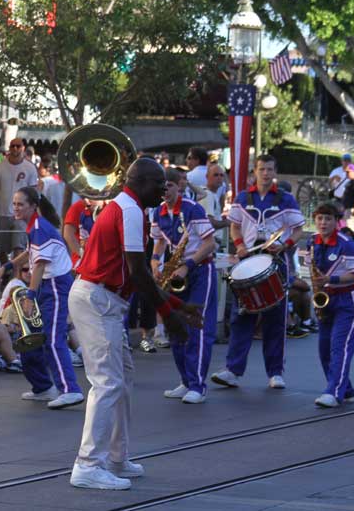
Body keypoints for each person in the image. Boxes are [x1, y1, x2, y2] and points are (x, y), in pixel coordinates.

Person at [69, 158, 201, 490]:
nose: (163, 189)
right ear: (139, 182)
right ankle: (87, 465)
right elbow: (139, 272)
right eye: (158, 183)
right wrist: (169, 317)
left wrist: (178, 306)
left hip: (104, 299)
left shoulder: (129, 208)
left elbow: (136, 276)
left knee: (121, 380)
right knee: (108, 383)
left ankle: (115, 457)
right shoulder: (129, 210)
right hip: (98, 299)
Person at [212, 154, 305, 390]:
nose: (266, 173)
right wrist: (240, 245)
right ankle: (233, 370)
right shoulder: (243, 197)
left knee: (276, 318)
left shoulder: (285, 199)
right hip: (249, 259)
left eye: (270, 169)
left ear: (275, 172)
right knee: (242, 315)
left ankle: (275, 372)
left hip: (276, 260)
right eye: (262, 169)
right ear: (255, 171)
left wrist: (285, 245)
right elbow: (234, 226)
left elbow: (298, 230)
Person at [0, 187, 84, 409]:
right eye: (15, 203)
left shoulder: (39, 228)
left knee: (53, 338)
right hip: (46, 285)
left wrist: (30, 295)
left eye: (21, 204)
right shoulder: (35, 227)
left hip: (55, 285)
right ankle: (43, 387)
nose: (16, 208)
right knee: (31, 339)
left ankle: (70, 389)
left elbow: (39, 264)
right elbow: (30, 253)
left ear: (33, 206)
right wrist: (9, 265)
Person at [151, 169, 218, 405]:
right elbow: (159, 242)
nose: (165, 191)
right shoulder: (157, 211)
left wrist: (188, 265)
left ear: (178, 187)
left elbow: (210, 244)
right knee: (176, 327)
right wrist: (155, 263)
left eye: (168, 186)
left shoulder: (192, 209)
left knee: (197, 328)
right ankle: (186, 380)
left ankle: (198, 385)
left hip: (199, 270)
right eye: (161, 186)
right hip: (176, 272)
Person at [308, 204, 354, 408]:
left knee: (339, 347)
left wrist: (331, 279)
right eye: (320, 219)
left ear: (336, 221)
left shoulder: (346, 244)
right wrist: (317, 292)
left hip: (347, 300)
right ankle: (345, 389)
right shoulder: (312, 241)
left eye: (328, 219)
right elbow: (313, 272)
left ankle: (334, 392)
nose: (323, 223)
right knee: (324, 350)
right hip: (326, 299)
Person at [0, 137, 39, 266]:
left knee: (18, 246)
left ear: (23, 148)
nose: (15, 149)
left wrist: (33, 213)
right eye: (13, 146)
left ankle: (16, 275)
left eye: (18, 146)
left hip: (22, 215)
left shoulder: (30, 168)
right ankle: (6, 271)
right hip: (2, 212)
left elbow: (33, 192)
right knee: (1, 247)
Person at [63, 198, 101, 267]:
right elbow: (68, 235)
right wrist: (82, 254)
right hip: (82, 260)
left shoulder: (110, 206)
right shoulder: (78, 207)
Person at [38, 156, 66, 221]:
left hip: (49, 215)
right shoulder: (57, 180)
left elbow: (37, 199)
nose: (38, 169)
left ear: (47, 169)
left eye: (40, 167)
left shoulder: (42, 181)